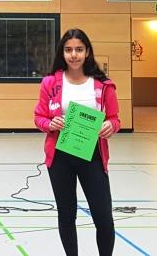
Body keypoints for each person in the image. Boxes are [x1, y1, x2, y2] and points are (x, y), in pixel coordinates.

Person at [33, 28, 119, 256]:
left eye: (79, 49)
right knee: (66, 214)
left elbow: (114, 118)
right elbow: (39, 117)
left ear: (87, 52)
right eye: (68, 50)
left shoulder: (103, 84)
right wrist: (50, 124)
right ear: (62, 53)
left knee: (103, 216)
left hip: (92, 156)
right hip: (60, 158)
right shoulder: (50, 83)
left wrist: (110, 126)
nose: (74, 55)